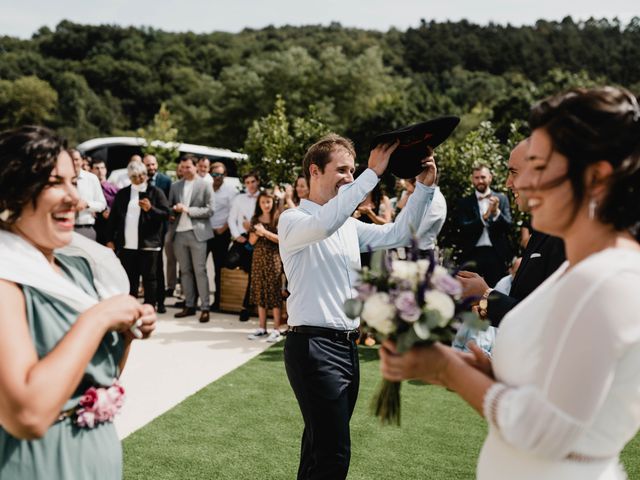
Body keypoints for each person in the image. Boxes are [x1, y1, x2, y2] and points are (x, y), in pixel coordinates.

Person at [380, 86, 640, 479]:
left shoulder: (613, 280)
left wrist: (447, 370)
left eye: (537, 165)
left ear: (596, 177)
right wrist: (475, 369)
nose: (519, 183)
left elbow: (545, 432)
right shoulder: (581, 269)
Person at [0, 125, 156, 479]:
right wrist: (98, 318)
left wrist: (127, 331)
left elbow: (100, 377)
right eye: (55, 182)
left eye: (74, 181)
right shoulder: (4, 277)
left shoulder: (79, 267)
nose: (75, 198)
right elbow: (27, 415)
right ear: (12, 193)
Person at [279, 133, 437, 479]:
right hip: (312, 348)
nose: (351, 178)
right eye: (342, 170)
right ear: (314, 171)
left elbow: (397, 235)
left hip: (346, 348)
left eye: (353, 171)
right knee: (333, 456)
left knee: (319, 451)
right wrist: (372, 173)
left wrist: (424, 188)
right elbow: (324, 223)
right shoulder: (293, 221)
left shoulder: (348, 225)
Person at [456, 140, 565, 327]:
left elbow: (548, 322)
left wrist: (487, 295)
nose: (508, 183)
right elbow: (523, 301)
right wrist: (485, 303)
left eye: (514, 173)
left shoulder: (565, 235)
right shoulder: (540, 229)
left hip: (496, 256)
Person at [106, 160, 170, 311]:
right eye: (135, 176)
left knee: (150, 279)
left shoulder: (156, 192)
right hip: (128, 245)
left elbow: (166, 214)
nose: (140, 179)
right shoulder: (123, 194)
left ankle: (149, 308)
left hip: (149, 244)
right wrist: (109, 239)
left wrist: (151, 209)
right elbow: (113, 218)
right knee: (129, 279)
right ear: (129, 177)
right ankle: (131, 308)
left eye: (142, 175)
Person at [169, 155, 214, 323]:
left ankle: (205, 307)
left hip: (198, 234)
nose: (185, 170)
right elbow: (169, 209)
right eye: (183, 167)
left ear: (196, 167)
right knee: (185, 271)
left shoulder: (205, 185)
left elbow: (210, 210)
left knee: (200, 271)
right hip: (179, 234)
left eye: (188, 167)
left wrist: (188, 210)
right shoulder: (175, 186)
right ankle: (189, 305)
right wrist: (174, 210)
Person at [456, 164, 512, 286]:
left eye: (483, 177)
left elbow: (508, 227)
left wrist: (497, 212)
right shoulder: (465, 202)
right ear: (472, 179)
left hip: (496, 253)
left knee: (496, 292)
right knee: (471, 292)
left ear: (490, 178)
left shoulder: (502, 199)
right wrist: (485, 217)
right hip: (472, 253)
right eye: (476, 177)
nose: (480, 180)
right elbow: (463, 228)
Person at [247, 191, 283, 342]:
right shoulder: (255, 219)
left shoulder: (278, 218)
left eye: (268, 202)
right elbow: (251, 241)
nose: (265, 205)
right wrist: (257, 232)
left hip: (273, 259)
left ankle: (276, 329)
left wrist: (264, 232)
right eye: (262, 202)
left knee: (274, 292)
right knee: (260, 292)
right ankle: (262, 327)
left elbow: (281, 240)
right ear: (259, 204)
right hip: (258, 260)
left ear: (273, 202)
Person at [228, 172, 261, 321]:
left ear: (258, 182)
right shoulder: (239, 199)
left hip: (258, 238)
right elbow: (231, 219)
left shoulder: (263, 198)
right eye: (247, 182)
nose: (250, 185)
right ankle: (246, 264)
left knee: (253, 273)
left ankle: (245, 307)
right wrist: (236, 235)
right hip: (242, 238)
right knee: (230, 262)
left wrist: (252, 227)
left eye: (253, 181)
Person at [143, 154, 173, 312]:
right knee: (148, 268)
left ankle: (160, 301)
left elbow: (167, 207)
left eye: (153, 164)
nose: (151, 168)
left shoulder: (166, 181)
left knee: (158, 266)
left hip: (160, 229)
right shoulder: (139, 182)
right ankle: (150, 300)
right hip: (144, 231)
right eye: (148, 165)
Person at [207, 161, 238, 312]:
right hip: (205, 232)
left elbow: (233, 213)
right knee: (200, 268)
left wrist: (223, 228)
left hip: (221, 234)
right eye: (214, 174)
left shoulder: (230, 191)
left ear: (225, 175)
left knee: (219, 268)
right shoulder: (207, 188)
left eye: (220, 174)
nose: (217, 177)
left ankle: (218, 301)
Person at [70, 149, 107, 241]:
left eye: (76, 159)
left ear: (82, 160)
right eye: (70, 160)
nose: (74, 162)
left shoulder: (91, 178)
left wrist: (87, 204)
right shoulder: (62, 179)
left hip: (86, 229)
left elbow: (102, 204)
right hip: (66, 228)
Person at [90, 159, 119, 245]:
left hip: (110, 228)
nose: (100, 171)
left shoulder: (114, 189)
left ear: (106, 170)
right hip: (94, 227)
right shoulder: (88, 189)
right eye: (97, 168)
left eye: (102, 168)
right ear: (91, 170)